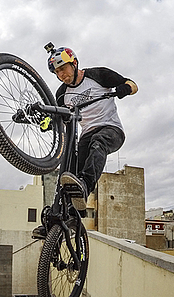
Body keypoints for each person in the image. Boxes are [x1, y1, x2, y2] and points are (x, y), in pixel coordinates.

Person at [49, 45, 138, 210]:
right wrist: (49, 122)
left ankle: (86, 186)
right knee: (69, 169)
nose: (61, 75)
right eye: (57, 72)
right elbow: (61, 119)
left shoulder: (98, 75)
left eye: (63, 69)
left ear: (74, 63)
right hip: (86, 135)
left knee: (98, 142)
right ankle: (62, 214)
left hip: (111, 129)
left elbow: (133, 85)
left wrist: (124, 88)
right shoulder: (62, 93)